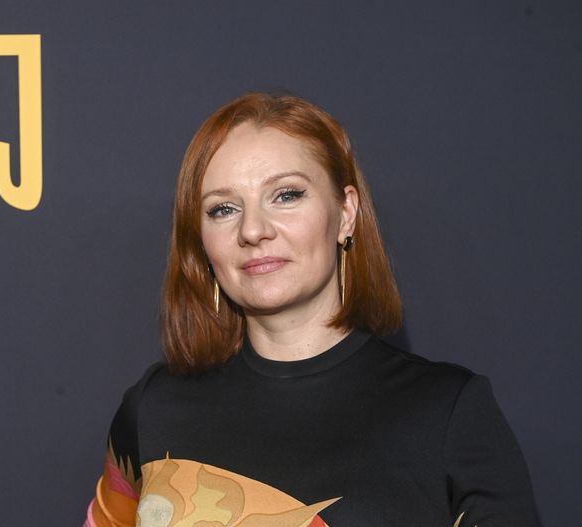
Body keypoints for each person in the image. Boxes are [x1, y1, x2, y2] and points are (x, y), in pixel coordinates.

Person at [84, 93, 539, 526]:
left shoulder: (447, 411)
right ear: (201, 241)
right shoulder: (152, 408)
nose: (253, 230)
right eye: (223, 209)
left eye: (286, 195)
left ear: (346, 213)